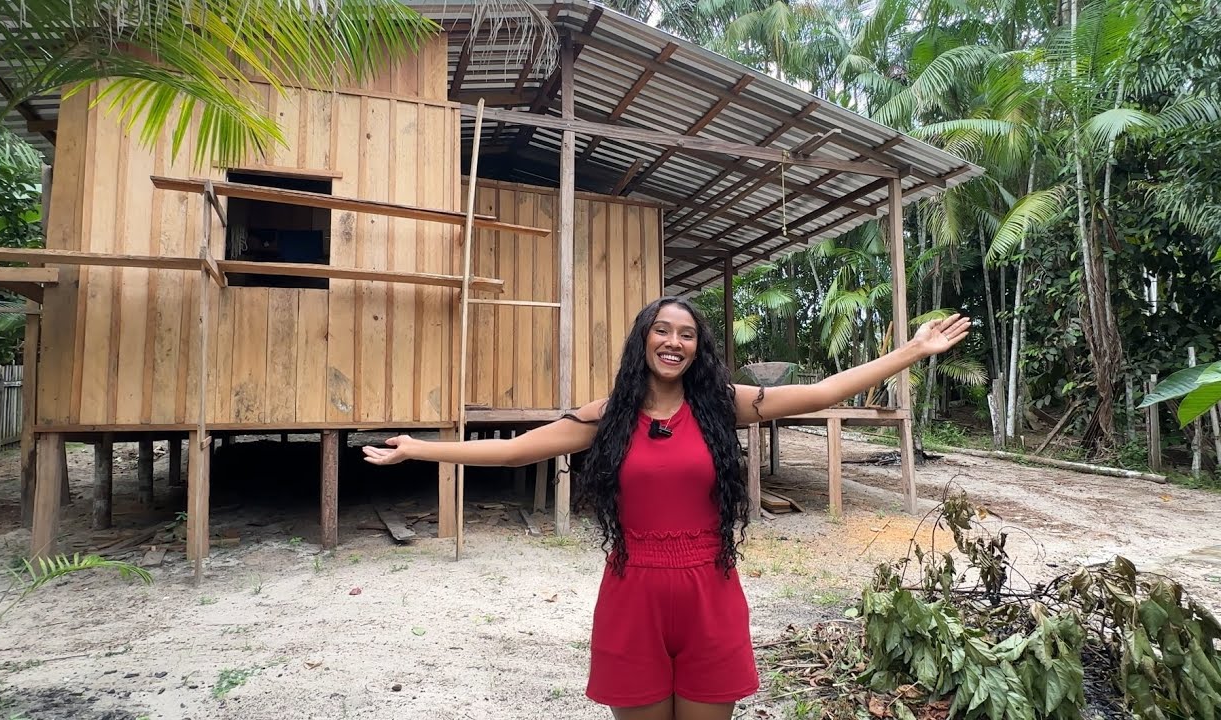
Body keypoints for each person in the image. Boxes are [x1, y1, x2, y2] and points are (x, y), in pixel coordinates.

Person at [363, 296, 970, 720]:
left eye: (686, 334)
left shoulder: (722, 404)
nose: (673, 341)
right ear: (643, 340)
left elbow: (821, 391)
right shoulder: (609, 416)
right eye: (662, 330)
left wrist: (913, 350)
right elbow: (516, 450)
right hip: (633, 595)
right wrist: (420, 448)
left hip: (711, 591)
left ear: (697, 348)